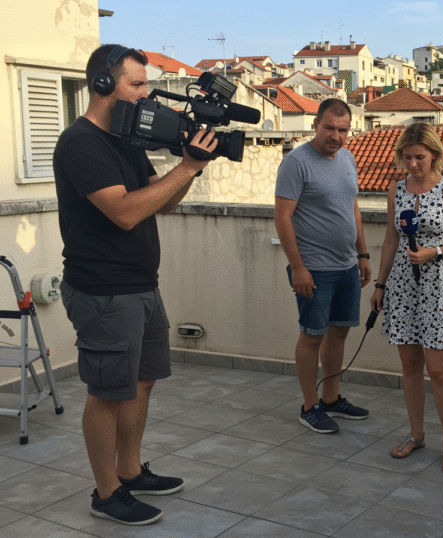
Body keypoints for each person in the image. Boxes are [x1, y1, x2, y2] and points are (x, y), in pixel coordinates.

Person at [54, 44, 218, 526]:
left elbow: (160, 202)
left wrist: (192, 164)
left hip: (142, 284)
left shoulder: (126, 138)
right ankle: (106, 494)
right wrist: (186, 168)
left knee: (141, 382)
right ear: (103, 83)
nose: (147, 94)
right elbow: (125, 212)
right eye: (138, 84)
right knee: (107, 393)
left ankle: (128, 471)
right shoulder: (80, 143)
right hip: (104, 290)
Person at [370, 122, 443, 474]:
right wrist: (380, 285)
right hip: (402, 285)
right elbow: (391, 240)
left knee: (439, 370)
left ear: (435, 155)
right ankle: (416, 434)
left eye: (420, 157)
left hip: (440, 285)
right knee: (410, 366)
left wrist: (435, 251)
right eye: (407, 157)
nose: (413, 164)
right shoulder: (396, 190)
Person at [274, 98, 372, 434]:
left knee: (339, 332)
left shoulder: (347, 157)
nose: (336, 136)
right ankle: (309, 405)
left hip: (346, 265)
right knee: (312, 336)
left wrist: (362, 254)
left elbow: (352, 207)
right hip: (314, 268)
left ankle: (331, 399)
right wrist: (298, 267)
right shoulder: (296, 162)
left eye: (343, 130)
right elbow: (282, 218)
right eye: (329, 128)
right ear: (316, 124)